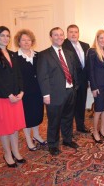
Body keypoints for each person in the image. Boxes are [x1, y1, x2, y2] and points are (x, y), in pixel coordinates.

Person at [0, 26, 26, 167]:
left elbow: (19, 75)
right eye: (2, 35)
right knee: (5, 128)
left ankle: (15, 152)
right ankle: (7, 154)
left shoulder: (12, 54)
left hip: (16, 96)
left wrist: (21, 91)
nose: (6, 38)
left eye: (8, 36)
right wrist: (8, 94)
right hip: (3, 97)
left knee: (14, 126)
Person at [37, 27, 79, 156]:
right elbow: (42, 76)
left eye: (61, 35)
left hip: (70, 91)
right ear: (51, 37)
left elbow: (73, 71)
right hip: (54, 94)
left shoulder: (69, 53)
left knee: (68, 118)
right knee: (54, 120)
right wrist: (46, 94)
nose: (59, 37)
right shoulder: (44, 54)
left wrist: (75, 88)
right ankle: (53, 144)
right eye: (56, 35)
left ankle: (67, 140)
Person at [14, 29, 45, 151]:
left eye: (29, 40)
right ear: (19, 42)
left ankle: (36, 135)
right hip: (24, 92)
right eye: (23, 40)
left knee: (37, 114)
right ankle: (28, 138)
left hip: (38, 90)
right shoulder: (15, 57)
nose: (26, 42)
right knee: (27, 116)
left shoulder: (38, 55)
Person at [62, 24, 90, 134]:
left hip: (83, 81)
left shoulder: (85, 45)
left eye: (76, 32)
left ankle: (80, 125)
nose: (73, 34)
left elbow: (88, 64)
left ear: (79, 33)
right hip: (70, 81)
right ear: (67, 33)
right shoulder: (63, 45)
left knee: (81, 104)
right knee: (69, 107)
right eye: (71, 32)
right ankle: (68, 130)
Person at [88, 30, 104, 143]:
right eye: (101, 38)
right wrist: (93, 87)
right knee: (98, 109)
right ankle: (95, 132)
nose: (103, 40)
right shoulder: (92, 51)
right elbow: (91, 71)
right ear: (97, 39)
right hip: (98, 86)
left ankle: (102, 130)